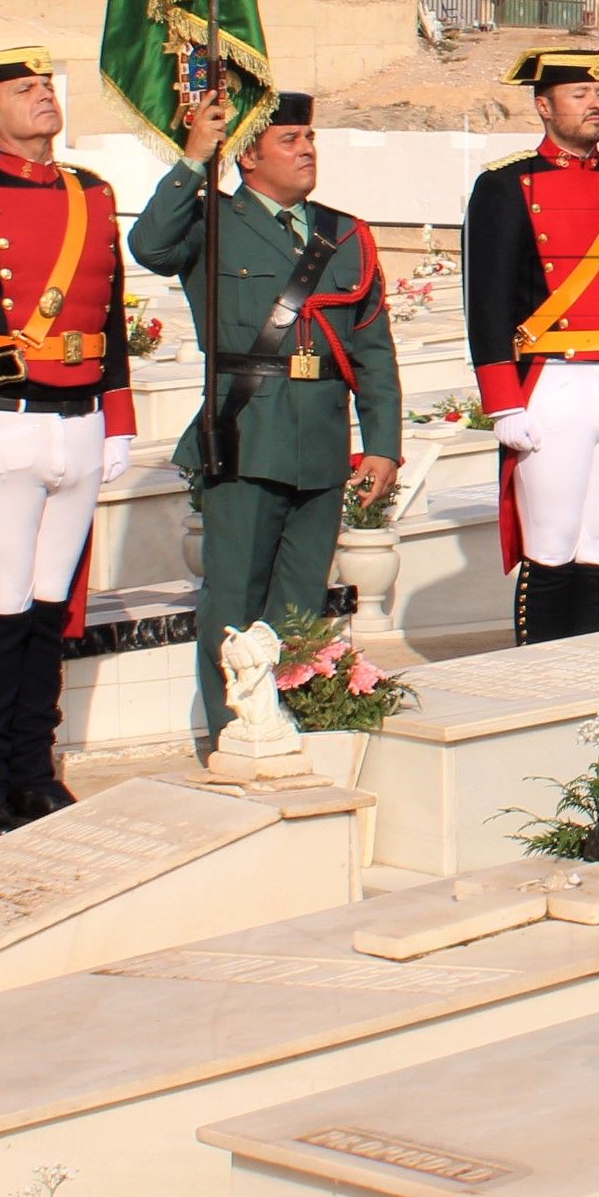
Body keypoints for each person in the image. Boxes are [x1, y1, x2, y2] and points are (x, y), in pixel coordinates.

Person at [0, 47, 138, 840]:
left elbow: (108, 314)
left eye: (45, 84)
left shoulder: (93, 193)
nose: (41, 95)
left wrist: (120, 416)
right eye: (20, 89)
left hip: (77, 423)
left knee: (50, 609)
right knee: (1, 608)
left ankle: (37, 769)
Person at [132, 88, 401, 745]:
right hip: (247, 433)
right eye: (289, 139)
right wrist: (196, 158)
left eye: (310, 138)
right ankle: (235, 729)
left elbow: (369, 345)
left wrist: (383, 444)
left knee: (303, 600)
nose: (306, 149)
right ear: (248, 156)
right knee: (233, 599)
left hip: (320, 437)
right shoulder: (212, 224)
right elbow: (148, 244)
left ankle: (297, 718)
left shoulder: (343, 233)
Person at [465, 49, 599, 641]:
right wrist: (503, 403)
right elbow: (487, 301)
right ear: (544, 106)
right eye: (580, 95)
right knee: (553, 546)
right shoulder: (506, 184)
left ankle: (595, 674)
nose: (595, 104)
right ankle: (541, 676)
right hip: (553, 382)